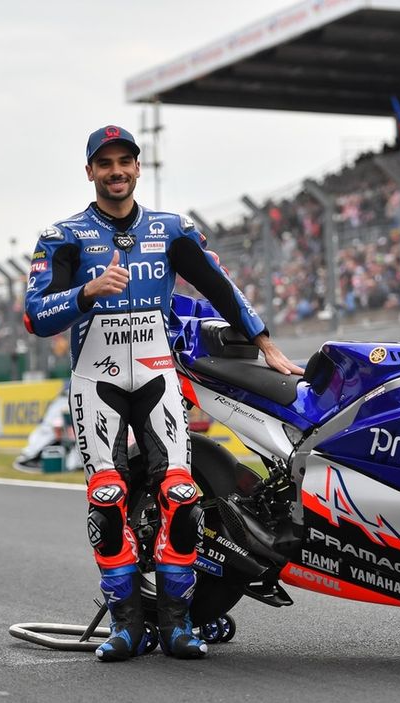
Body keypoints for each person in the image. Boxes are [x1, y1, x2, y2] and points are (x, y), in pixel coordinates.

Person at [23, 125, 302, 662]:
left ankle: (177, 626)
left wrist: (264, 341)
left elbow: (221, 287)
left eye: (125, 161)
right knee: (106, 501)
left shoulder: (171, 229)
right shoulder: (63, 236)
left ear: (137, 168)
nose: (116, 171)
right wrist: (87, 291)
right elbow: (36, 316)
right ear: (90, 172)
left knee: (180, 495)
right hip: (95, 379)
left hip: (157, 374)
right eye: (105, 164)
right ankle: (126, 626)